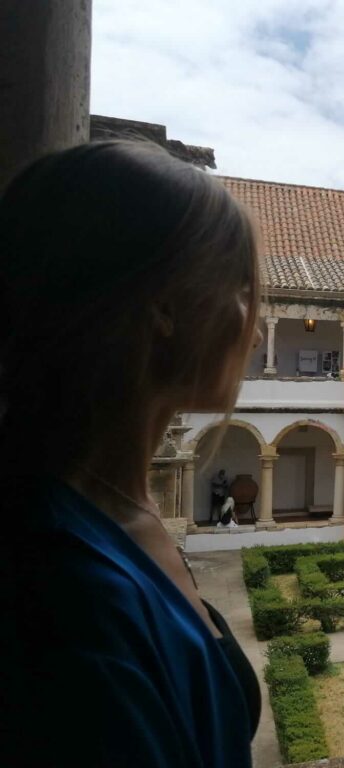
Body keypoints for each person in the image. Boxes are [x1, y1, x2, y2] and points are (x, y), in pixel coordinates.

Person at [0, 141, 262, 766]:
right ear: (166, 307)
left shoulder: (113, 513)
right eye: (243, 290)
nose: (253, 324)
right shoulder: (67, 597)